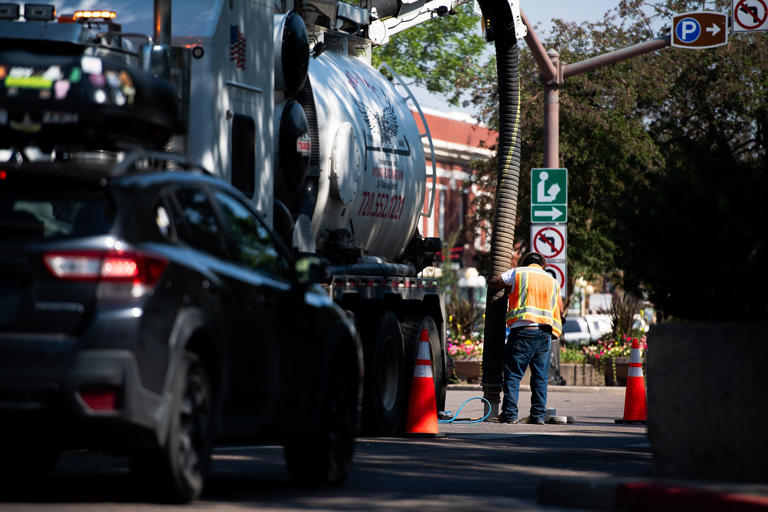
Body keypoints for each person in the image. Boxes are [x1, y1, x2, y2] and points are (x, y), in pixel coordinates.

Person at [487, 251, 563, 424]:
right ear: (542, 265)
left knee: (513, 375)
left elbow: (494, 283)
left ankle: (510, 414)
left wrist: (508, 287)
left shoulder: (518, 273)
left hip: (522, 331)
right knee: (540, 378)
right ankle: (537, 416)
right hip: (544, 334)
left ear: (525, 262)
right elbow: (561, 308)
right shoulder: (552, 281)